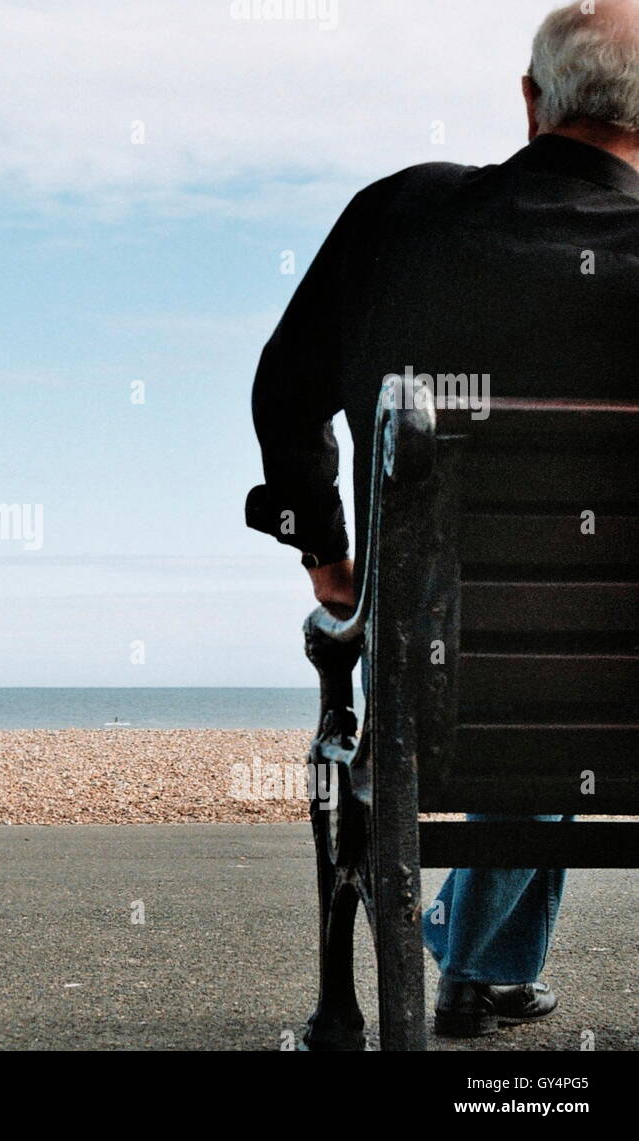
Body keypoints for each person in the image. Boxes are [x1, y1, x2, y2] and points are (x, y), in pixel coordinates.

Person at [245, 0, 639, 1037]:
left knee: (504, 664)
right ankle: (484, 965)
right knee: (576, 665)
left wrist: (327, 555)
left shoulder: (402, 218)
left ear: (528, 101)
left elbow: (285, 389)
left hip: (444, 684)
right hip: (619, 691)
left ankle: (466, 969)